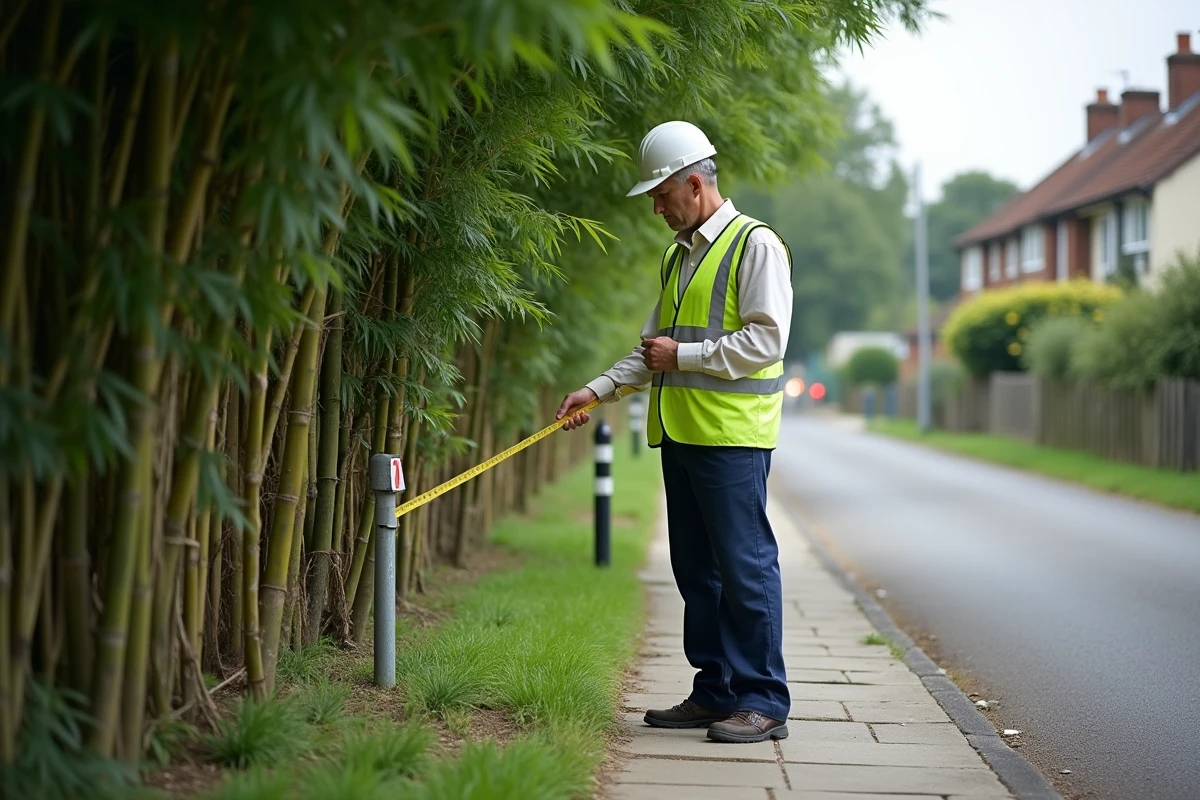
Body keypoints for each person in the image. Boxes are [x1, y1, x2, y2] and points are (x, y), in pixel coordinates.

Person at [556, 121, 793, 744]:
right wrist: (597, 389)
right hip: (682, 436)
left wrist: (681, 357)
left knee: (744, 569)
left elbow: (767, 340)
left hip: (733, 439)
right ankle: (715, 692)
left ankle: (764, 701)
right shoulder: (679, 255)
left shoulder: (755, 245)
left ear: (693, 183)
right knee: (696, 572)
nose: (656, 209)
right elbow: (653, 349)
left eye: (661, 195)